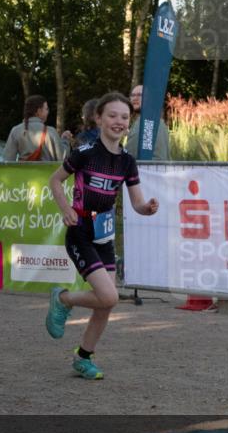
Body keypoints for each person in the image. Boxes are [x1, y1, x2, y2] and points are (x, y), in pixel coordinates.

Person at [46, 92, 159, 380]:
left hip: (104, 237)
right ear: (98, 119)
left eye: (124, 116)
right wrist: (66, 209)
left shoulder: (127, 162)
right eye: (112, 115)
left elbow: (136, 203)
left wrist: (147, 208)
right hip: (80, 232)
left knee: (107, 303)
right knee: (108, 296)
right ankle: (64, 299)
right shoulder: (85, 153)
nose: (119, 121)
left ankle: (83, 357)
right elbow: (55, 180)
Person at [3, 95, 67, 162]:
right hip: (47, 172)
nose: (48, 112)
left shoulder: (16, 131)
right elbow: (62, 159)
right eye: (46, 109)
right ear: (39, 111)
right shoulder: (51, 131)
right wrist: (65, 140)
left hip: (23, 172)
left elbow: (8, 160)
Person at [124, 84, 170, 160]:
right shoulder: (154, 121)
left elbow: (131, 155)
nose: (135, 98)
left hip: (149, 170)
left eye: (140, 95)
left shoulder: (147, 123)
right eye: (132, 95)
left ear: (149, 99)